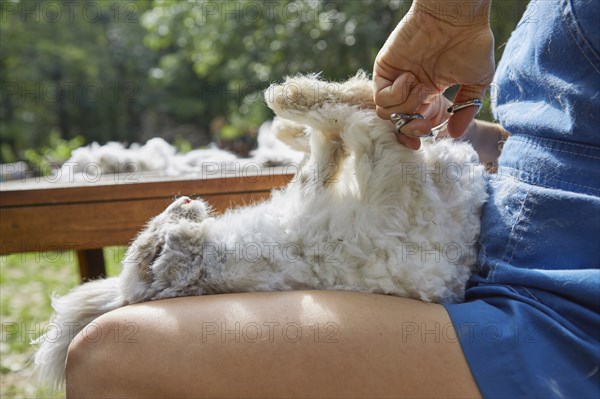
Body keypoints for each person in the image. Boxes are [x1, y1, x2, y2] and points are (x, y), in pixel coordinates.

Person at [65, 0, 599, 397]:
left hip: (562, 327)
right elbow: (560, 149)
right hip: (496, 266)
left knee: (111, 355)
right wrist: (450, 49)